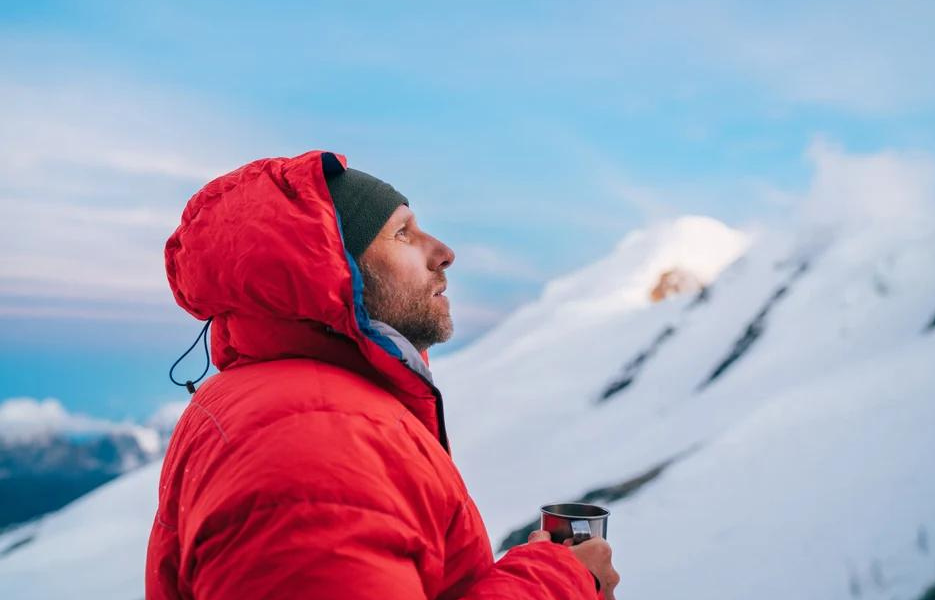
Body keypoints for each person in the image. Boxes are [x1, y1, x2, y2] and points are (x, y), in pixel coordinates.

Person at [146, 150, 620, 599]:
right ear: (334, 269)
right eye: (401, 234)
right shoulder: (316, 440)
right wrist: (559, 583)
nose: (444, 251)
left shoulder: (292, 402)